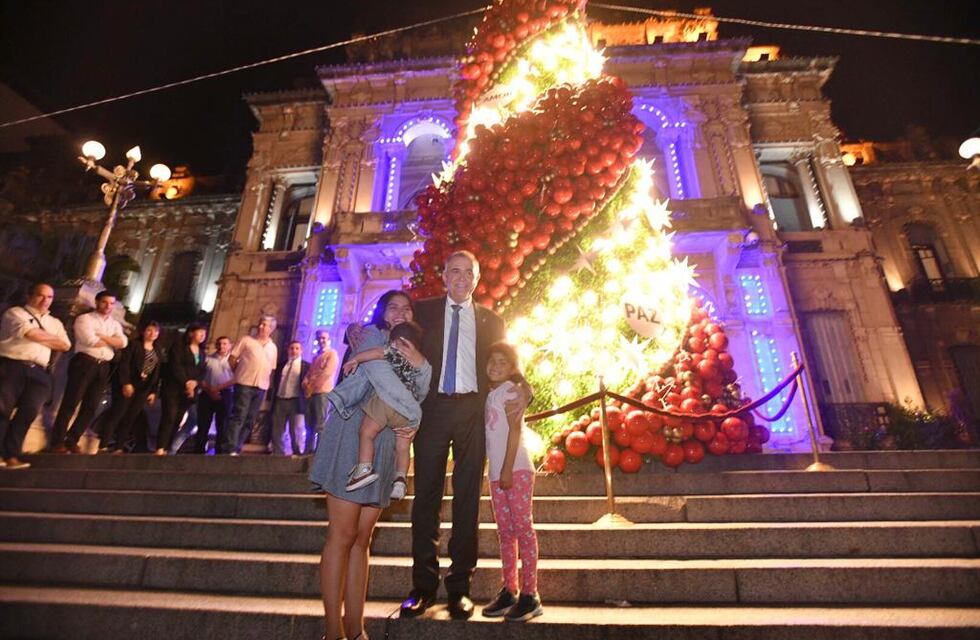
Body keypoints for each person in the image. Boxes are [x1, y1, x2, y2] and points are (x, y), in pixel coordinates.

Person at [401, 251, 528, 621]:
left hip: (474, 412)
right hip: (432, 411)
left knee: (468, 498)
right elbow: (394, 332)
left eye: (467, 272)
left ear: (476, 278)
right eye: (454, 271)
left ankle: (460, 588)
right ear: (444, 276)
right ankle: (423, 587)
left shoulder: (492, 320)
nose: (460, 278)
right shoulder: (424, 311)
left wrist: (525, 387)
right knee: (426, 496)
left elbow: (508, 362)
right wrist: (357, 334)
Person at [308, 289, 422, 640]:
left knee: (362, 539)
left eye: (406, 308)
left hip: (384, 443)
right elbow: (381, 375)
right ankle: (333, 631)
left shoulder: (412, 349)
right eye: (393, 307)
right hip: (352, 435)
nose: (400, 312)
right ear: (382, 313)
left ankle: (356, 630)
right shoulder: (371, 336)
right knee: (341, 535)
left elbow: (420, 391)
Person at [480, 342, 542, 621]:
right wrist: (496, 472)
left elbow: (514, 432)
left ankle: (530, 594)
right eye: (492, 360)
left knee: (523, 529)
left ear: (513, 368)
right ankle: (510, 590)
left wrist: (506, 470)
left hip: (515, 470)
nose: (495, 365)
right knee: (505, 533)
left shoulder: (510, 391)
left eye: (502, 362)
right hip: (497, 473)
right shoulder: (492, 393)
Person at [341, 320, 428, 500]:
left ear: (396, 341)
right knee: (403, 447)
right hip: (408, 413)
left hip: (387, 404)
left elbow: (376, 352)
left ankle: (364, 468)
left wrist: (356, 358)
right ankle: (400, 480)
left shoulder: (394, 351)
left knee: (366, 433)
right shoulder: (417, 362)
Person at [0, 283, 71, 469]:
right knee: (3, 410)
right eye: (41, 295)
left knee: (28, 413)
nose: (45, 300)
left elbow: (65, 345)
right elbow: (29, 332)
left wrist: (39, 335)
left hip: (40, 372)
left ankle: (11, 454)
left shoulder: (55, 322)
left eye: (50, 297)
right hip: (13, 366)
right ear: (29, 295)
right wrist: (49, 339)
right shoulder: (15, 313)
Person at [50, 290, 127, 454]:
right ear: (97, 302)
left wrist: (103, 337)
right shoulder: (85, 319)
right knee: (71, 401)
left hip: (103, 366)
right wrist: (111, 341)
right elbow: (89, 340)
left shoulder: (114, 324)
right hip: (85, 362)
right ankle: (57, 440)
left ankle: (72, 439)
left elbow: (123, 342)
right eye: (105, 302)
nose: (108, 306)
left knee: (91, 406)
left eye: (111, 303)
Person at [98, 321, 162, 454]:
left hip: (143, 389)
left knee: (130, 418)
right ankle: (103, 444)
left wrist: (153, 391)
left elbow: (156, 372)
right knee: (117, 414)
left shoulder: (157, 350)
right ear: (143, 331)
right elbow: (125, 364)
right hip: (129, 384)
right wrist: (126, 383)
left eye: (156, 331)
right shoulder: (134, 345)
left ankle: (118, 447)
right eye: (150, 330)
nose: (152, 334)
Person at [222, 315, 278, 455]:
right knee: (239, 414)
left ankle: (237, 446)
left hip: (261, 386)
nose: (261, 326)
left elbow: (271, 368)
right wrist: (238, 372)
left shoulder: (273, 347)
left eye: (264, 325)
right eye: (260, 324)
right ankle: (229, 447)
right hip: (244, 383)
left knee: (250, 418)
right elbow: (232, 358)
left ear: (271, 328)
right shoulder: (246, 340)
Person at [157, 323, 207, 455]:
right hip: (174, 388)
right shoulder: (179, 347)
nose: (202, 335)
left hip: (189, 391)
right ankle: (160, 447)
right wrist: (186, 382)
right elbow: (176, 366)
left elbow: (202, 371)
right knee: (169, 416)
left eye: (204, 333)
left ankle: (168, 448)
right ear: (191, 333)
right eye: (200, 332)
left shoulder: (202, 352)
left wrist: (195, 383)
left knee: (178, 419)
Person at [195, 336, 234, 454]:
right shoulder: (208, 359)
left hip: (225, 393)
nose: (222, 346)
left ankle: (220, 450)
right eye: (219, 343)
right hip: (207, 393)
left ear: (230, 345)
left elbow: (236, 378)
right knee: (203, 423)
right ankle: (199, 450)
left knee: (222, 424)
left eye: (225, 344)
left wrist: (218, 389)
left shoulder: (233, 361)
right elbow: (199, 376)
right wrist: (210, 390)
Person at [302, 330, 339, 455]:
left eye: (323, 338)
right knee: (309, 424)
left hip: (322, 392)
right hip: (311, 393)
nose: (321, 340)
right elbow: (310, 373)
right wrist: (305, 383)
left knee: (320, 424)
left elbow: (326, 373)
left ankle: (319, 452)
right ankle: (308, 449)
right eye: (319, 338)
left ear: (329, 339)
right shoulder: (316, 356)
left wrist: (311, 387)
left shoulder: (332, 354)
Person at [270, 341, 310, 456]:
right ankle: (278, 452)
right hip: (280, 399)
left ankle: (296, 452)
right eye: (292, 348)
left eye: (297, 348)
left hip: (296, 401)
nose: (294, 351)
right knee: (277, 428)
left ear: (301, 351)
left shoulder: (306, 366)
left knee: (296, 429)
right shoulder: (281, 365)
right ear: (288, 350)